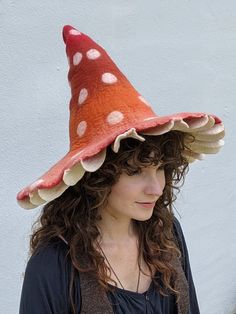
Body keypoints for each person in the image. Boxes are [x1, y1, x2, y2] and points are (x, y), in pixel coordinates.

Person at [17, 25, 225, 314]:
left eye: (161, 168)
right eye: (136, 171)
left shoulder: (166, 234)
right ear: (96, 176)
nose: (156, 187)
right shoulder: (53, 266)